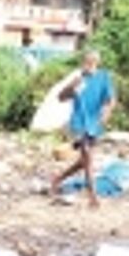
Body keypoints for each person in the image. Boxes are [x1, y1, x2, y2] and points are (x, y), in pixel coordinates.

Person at [50, 49, 116, 208]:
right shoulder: (79, 80)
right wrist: (71, 88)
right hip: (78, 123)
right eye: (86, 62)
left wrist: (106, 112)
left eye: (92, 62)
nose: (88, 65)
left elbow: (111, 100)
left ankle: (57, 179)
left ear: (96, 63)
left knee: (84, 161)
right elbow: (61, 97)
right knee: (87, 154)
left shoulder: (104, 77)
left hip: (94, 124)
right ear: (83, 63)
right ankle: (93, 196)